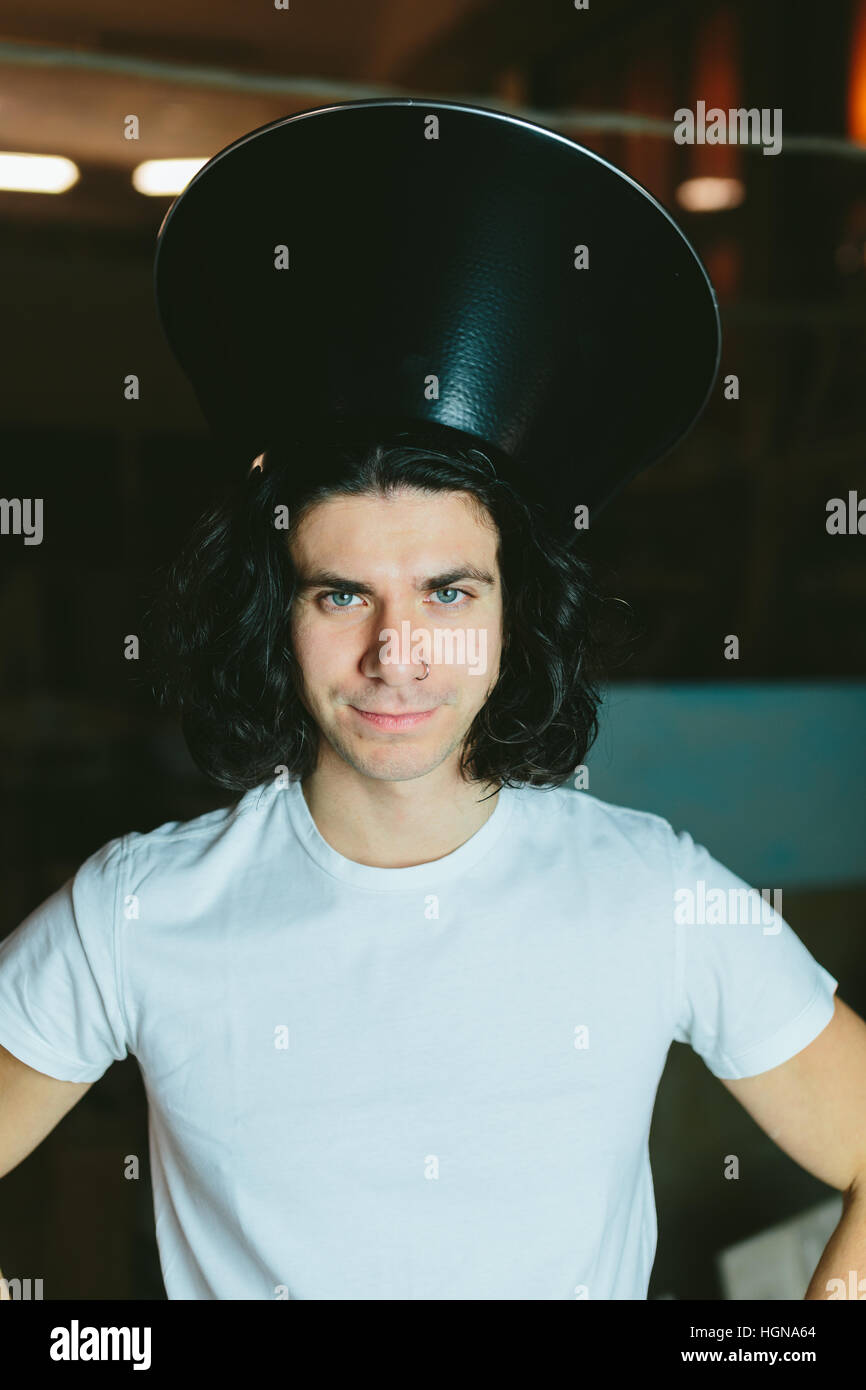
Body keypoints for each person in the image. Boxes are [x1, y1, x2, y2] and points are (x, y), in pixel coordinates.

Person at [1, 100, 864, 1301]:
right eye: (339, 594)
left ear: (515, 612)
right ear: (278, 612)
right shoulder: (137, 913)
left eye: (448, 590)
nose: (396, 653)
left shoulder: (653, 893)